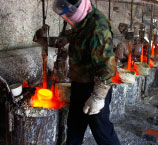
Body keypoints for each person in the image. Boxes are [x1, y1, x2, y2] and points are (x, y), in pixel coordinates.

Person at [52, 0, 121, 145]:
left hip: (94, 86)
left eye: (70, 12)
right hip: (79, 83)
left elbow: (107, 66)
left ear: (78, 7)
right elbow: (81, 31)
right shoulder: (84, 19)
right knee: (74, 128)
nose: (69, 16)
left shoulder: (98, 27)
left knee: (102, 132)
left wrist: (98, 97)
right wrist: (66, 38)